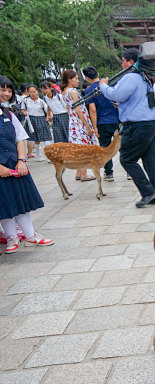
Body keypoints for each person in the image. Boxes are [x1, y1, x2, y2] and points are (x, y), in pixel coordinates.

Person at [99, 47, 155, 208]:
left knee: (127, 159)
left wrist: (103, 86)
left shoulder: (131, 77)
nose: (122, 64)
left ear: (130, 62)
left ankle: (148, 192)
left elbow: (116, 95)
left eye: (123, 61)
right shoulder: (146, 78)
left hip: (137, 126)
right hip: (150, 123)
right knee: (150, 160)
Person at [0, 75, 53, 254]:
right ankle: (11, 237)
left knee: (20, 201)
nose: (6, 94)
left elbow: (20, 138)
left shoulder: (8, 114)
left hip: (15, 165)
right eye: (2, 90)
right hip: (1, 168)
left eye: (9, 90)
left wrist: (22, 161)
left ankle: (30, 235)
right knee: (5, 204)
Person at [83, 66, 120, 182]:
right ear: (98, 74)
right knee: (121, 144)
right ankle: (129, 172)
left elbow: (92, 110)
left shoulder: (89, 91)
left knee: (105, 148)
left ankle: (109, 173)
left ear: (87, 78)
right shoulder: (109, 84)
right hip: (116, 120)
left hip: (102, 122)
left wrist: (95, 127)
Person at [61, 69, 96, 181]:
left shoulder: (64, 92)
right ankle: (84, 174)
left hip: (73, 121)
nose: (77, 81)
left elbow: (68, 108)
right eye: (75, 79)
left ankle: (79, 172)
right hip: (80, 121)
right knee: (85, 147)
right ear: (69, 80)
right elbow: (78, 110)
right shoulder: (73, 92)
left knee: (79, 146)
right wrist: (87, 126)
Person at [21, 85, 52, 162]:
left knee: (46, 138)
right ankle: (38, 155)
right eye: (30, 92)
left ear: (37, 92)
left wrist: (49, 116)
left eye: (34, 91)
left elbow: (47, 109)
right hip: (31, 120)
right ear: (28, 92)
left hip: (41, 119)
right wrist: (24, 112)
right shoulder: (25, 100)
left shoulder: (41, 101)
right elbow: (22, 109)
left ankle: (50, 156)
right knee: (36, 139)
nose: (32, 93)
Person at [41, 80, 69, 145]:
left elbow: (67, 107)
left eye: (46, 88)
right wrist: (48, 115)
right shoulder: (45, 98)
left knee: (67, 134)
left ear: (50, 88)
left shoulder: (59, 96)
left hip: (64, 116)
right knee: (57, 135)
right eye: (43, 89)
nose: (44, 91)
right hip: (56, 117)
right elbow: (48, 106)